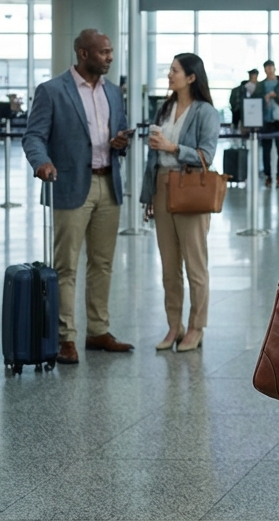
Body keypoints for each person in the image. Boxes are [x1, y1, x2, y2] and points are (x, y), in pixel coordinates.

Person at [21, 29, 134, 365]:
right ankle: (64, 337)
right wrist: (42, 162)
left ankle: (98, 330)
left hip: (107, 184)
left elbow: (121, 130)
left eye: (111, 52)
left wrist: (121, 142)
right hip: (69, 186)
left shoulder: (114, 92)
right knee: (66, 267)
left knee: (102, 263)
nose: (110, 58)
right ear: (83, 54)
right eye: (104, 52)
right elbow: (33, 136)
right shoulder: (52, 91)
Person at [141, 53, 221, 353]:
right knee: (169, 266)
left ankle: (196, 327)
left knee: (195, 266)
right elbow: (153, 158)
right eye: (169, 70)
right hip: (162, 186)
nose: (169, 75)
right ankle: (174, 325)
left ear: (191, 77)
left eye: (174, 71)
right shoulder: (165, 109)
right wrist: (148, 196)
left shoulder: (205, 113)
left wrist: (172, 147)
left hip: (189, 189)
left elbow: (207, 156)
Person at [254, 59, 279, 187]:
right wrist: (264, 99)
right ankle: (268, 176)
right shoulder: (260, 85)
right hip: (266, 120)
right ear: (264, 70)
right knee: (266, 150)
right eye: (267, 68)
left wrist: (276, 96)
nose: (269, 70)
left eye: (271, 68)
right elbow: (255, 100)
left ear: (274, 68)